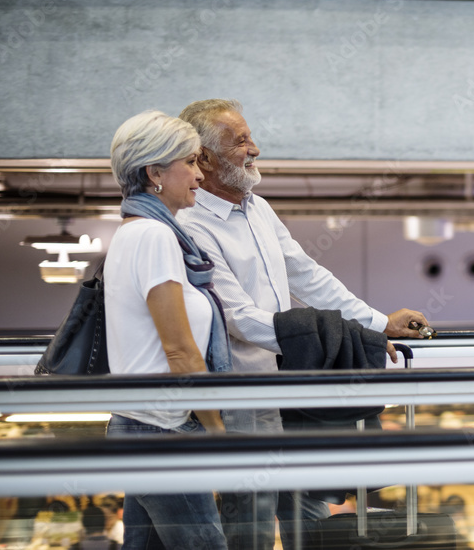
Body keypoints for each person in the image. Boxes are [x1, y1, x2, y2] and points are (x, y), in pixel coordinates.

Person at [176, 98, 430, 550]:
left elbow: (308, 276)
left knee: (308, 513)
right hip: (243, 396)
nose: (255, 148)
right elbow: (240, 320)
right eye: (241, 141)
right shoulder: (191, 225)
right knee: (251, 519)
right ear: (207, 159)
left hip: (292, 384)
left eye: (250, 137)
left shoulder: (257, 208)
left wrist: (375, 323)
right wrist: (342, 337)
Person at [105, 110, 232, 549]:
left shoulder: (137, 231)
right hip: (159, 429)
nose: (200, 174)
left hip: (145, 423)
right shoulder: (154, 237)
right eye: (191, 163)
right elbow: (180, 350)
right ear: (154, 172)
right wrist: (218, 432)